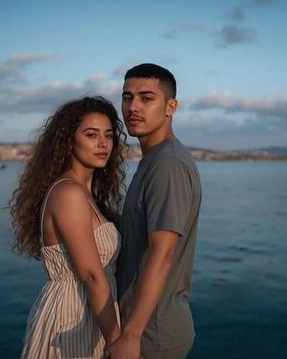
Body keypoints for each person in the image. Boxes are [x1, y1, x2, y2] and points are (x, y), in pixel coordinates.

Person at [10, 96, 127, 358]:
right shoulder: (69, 193)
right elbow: (92, 276)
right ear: (68, 141)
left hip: (92, 315)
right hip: (71, 317)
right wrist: (117, 341)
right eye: (91, 135)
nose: (103, 144)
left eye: (108, 136)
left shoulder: (87, 195)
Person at [105, 63, 201, 359]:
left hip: (151, 335)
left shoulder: (167, 164)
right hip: (147, 330)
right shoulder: (153, 160)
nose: (133, 107)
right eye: (127, 97)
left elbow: (163, 252)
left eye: (147, 98)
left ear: (171, 106)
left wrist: (131, 336)